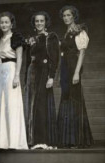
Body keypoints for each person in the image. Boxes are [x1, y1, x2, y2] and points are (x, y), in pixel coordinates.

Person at [57, 5, 93, 148]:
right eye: (64, 16)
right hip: (65, 67)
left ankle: (77, 139)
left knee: (75, 99)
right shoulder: (67, 32)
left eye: (69, 15)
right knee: (66, 97)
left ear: (74, 16)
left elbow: (82, 53)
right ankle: (67, 139)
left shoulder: (79, 31)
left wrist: (77, 72)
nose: (66, 18)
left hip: (73, 67)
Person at [0, 12, 28, 150]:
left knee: (11, 104)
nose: (4, 25)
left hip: (12, 69)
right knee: (1, 105)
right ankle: (2, 141)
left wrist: (17, 75)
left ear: (11, 24)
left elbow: (19, 58)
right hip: (0, 70)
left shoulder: (16, 37)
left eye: (6, 22)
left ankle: (14, 141)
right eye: (2, 22)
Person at [25, 11, 59, 149]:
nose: (39, 23)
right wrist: (24, 80)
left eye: (41, 21)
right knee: (32, 106)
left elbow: (54, 58)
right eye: (36, 21)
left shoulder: (51, 37)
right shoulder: (31, 39)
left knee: (41, 105)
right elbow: (27, 60)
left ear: (46, 22)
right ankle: (33, 139)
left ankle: (43, 140)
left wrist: (51, 76)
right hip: (32, 73)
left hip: (44, 73)